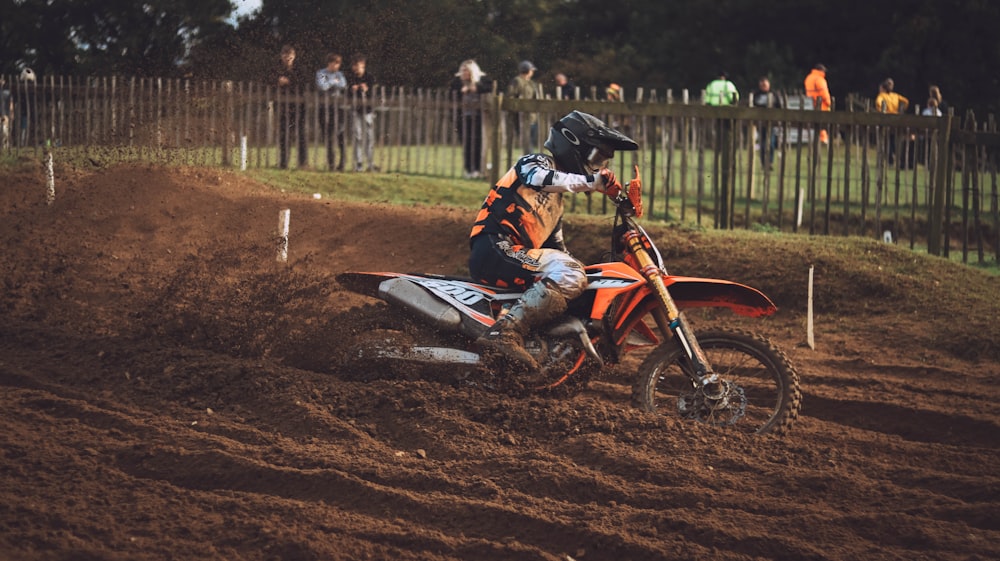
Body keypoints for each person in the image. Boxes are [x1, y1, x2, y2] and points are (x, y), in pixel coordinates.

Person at [469, 110, 638, 371]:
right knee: (571, 273)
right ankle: (505, 332)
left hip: (515, 255)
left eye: (603, 161)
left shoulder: (556, 206)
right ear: (572, 143)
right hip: (494, 246)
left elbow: (557, 249)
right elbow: (538, 179)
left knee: (576, 274)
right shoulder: (535, 163)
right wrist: (592, 182)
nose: (599, 166)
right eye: (596, 157)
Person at [451, 59, 491, 179]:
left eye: (466, 71)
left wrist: (476, 88)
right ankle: (468, 169)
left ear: (472, 72)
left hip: (478, 118)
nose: (464, 73)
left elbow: (489, 89)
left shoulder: (482, 81)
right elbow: (451, 93)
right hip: (463, 117)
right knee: (466, 143)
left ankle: (477, 169)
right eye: (462, 71)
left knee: (477, 143)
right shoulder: (458, 83)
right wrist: (460, 91)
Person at [273, 45, 308, 169]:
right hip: (283, 106)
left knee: (301, 134)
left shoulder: (300, 69)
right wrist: (278, 80)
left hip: (299, 106)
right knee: (284, 135)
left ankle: (302, 163)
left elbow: (303, 82)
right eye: (285, 55)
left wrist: (289, 81)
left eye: (290, 55)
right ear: (281, 56)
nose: (287, 58)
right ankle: (284, 163)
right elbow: (269, 80)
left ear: (294, 56)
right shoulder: (277, 69)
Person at [316, 52, 347, 171]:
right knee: (328, 136)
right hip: (325, 107)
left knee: (340, 135)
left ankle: (342, 164)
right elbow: (322, 86)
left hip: (338, 107)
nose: (337, 66)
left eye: (339, 64)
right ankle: (331, 164)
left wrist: (333, 82)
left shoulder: (339, 74)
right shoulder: (322, 73)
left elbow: (344, 84)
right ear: (330, 63)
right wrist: (334, 82)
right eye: (335, 64)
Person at [346, 53, 377, 171]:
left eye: (358, 66)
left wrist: (367, 90)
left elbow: (374, 95)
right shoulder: (350, 78)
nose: (356, 68)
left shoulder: (370, 77)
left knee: (369, 137)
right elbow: (347, 95)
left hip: (368, 111)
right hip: (355, 110)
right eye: (354, 66)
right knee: (357, 136)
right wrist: (351, 90)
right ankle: (359, 163)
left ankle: (370, 163)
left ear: (363, 65)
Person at [875, 78, 910, 166]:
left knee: (886, 139)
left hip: (886, 119)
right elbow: (906, 101)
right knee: (893, 138)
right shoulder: (895, 96)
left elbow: (878, 103)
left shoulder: (882, 96)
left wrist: (881, 111)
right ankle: (894, 155)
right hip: (896, 119)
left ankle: (890, 158)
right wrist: (901, 109)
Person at [506, 60, 539, 153]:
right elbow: (510, 96)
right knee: (526, 142)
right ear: (528, 70)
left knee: (531, 141)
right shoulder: (517, 81)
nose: (532, 72)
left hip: (532, 116)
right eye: (531, 70)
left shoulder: (531, 83)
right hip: (521, 116)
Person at [751, 76, 783, 169]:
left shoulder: (774, 94)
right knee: (763, 144)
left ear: (768, 84)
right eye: (762, 85)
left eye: (765, 84)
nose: (763, 86)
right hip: (760, 123)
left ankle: (770, 162)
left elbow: (779, 107)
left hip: (771, 123)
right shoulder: (756, 94)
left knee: (771, 144)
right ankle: (763, 163)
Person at [804, 63, 832, 144]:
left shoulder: (808, 78)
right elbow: (824, 92)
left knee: (814, 122)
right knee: (822, 122)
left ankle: (815, 138)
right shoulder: (820, 79)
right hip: (820, 103)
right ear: (821, 71)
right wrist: (828, 102)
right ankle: (823, 139)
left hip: (810, 103)